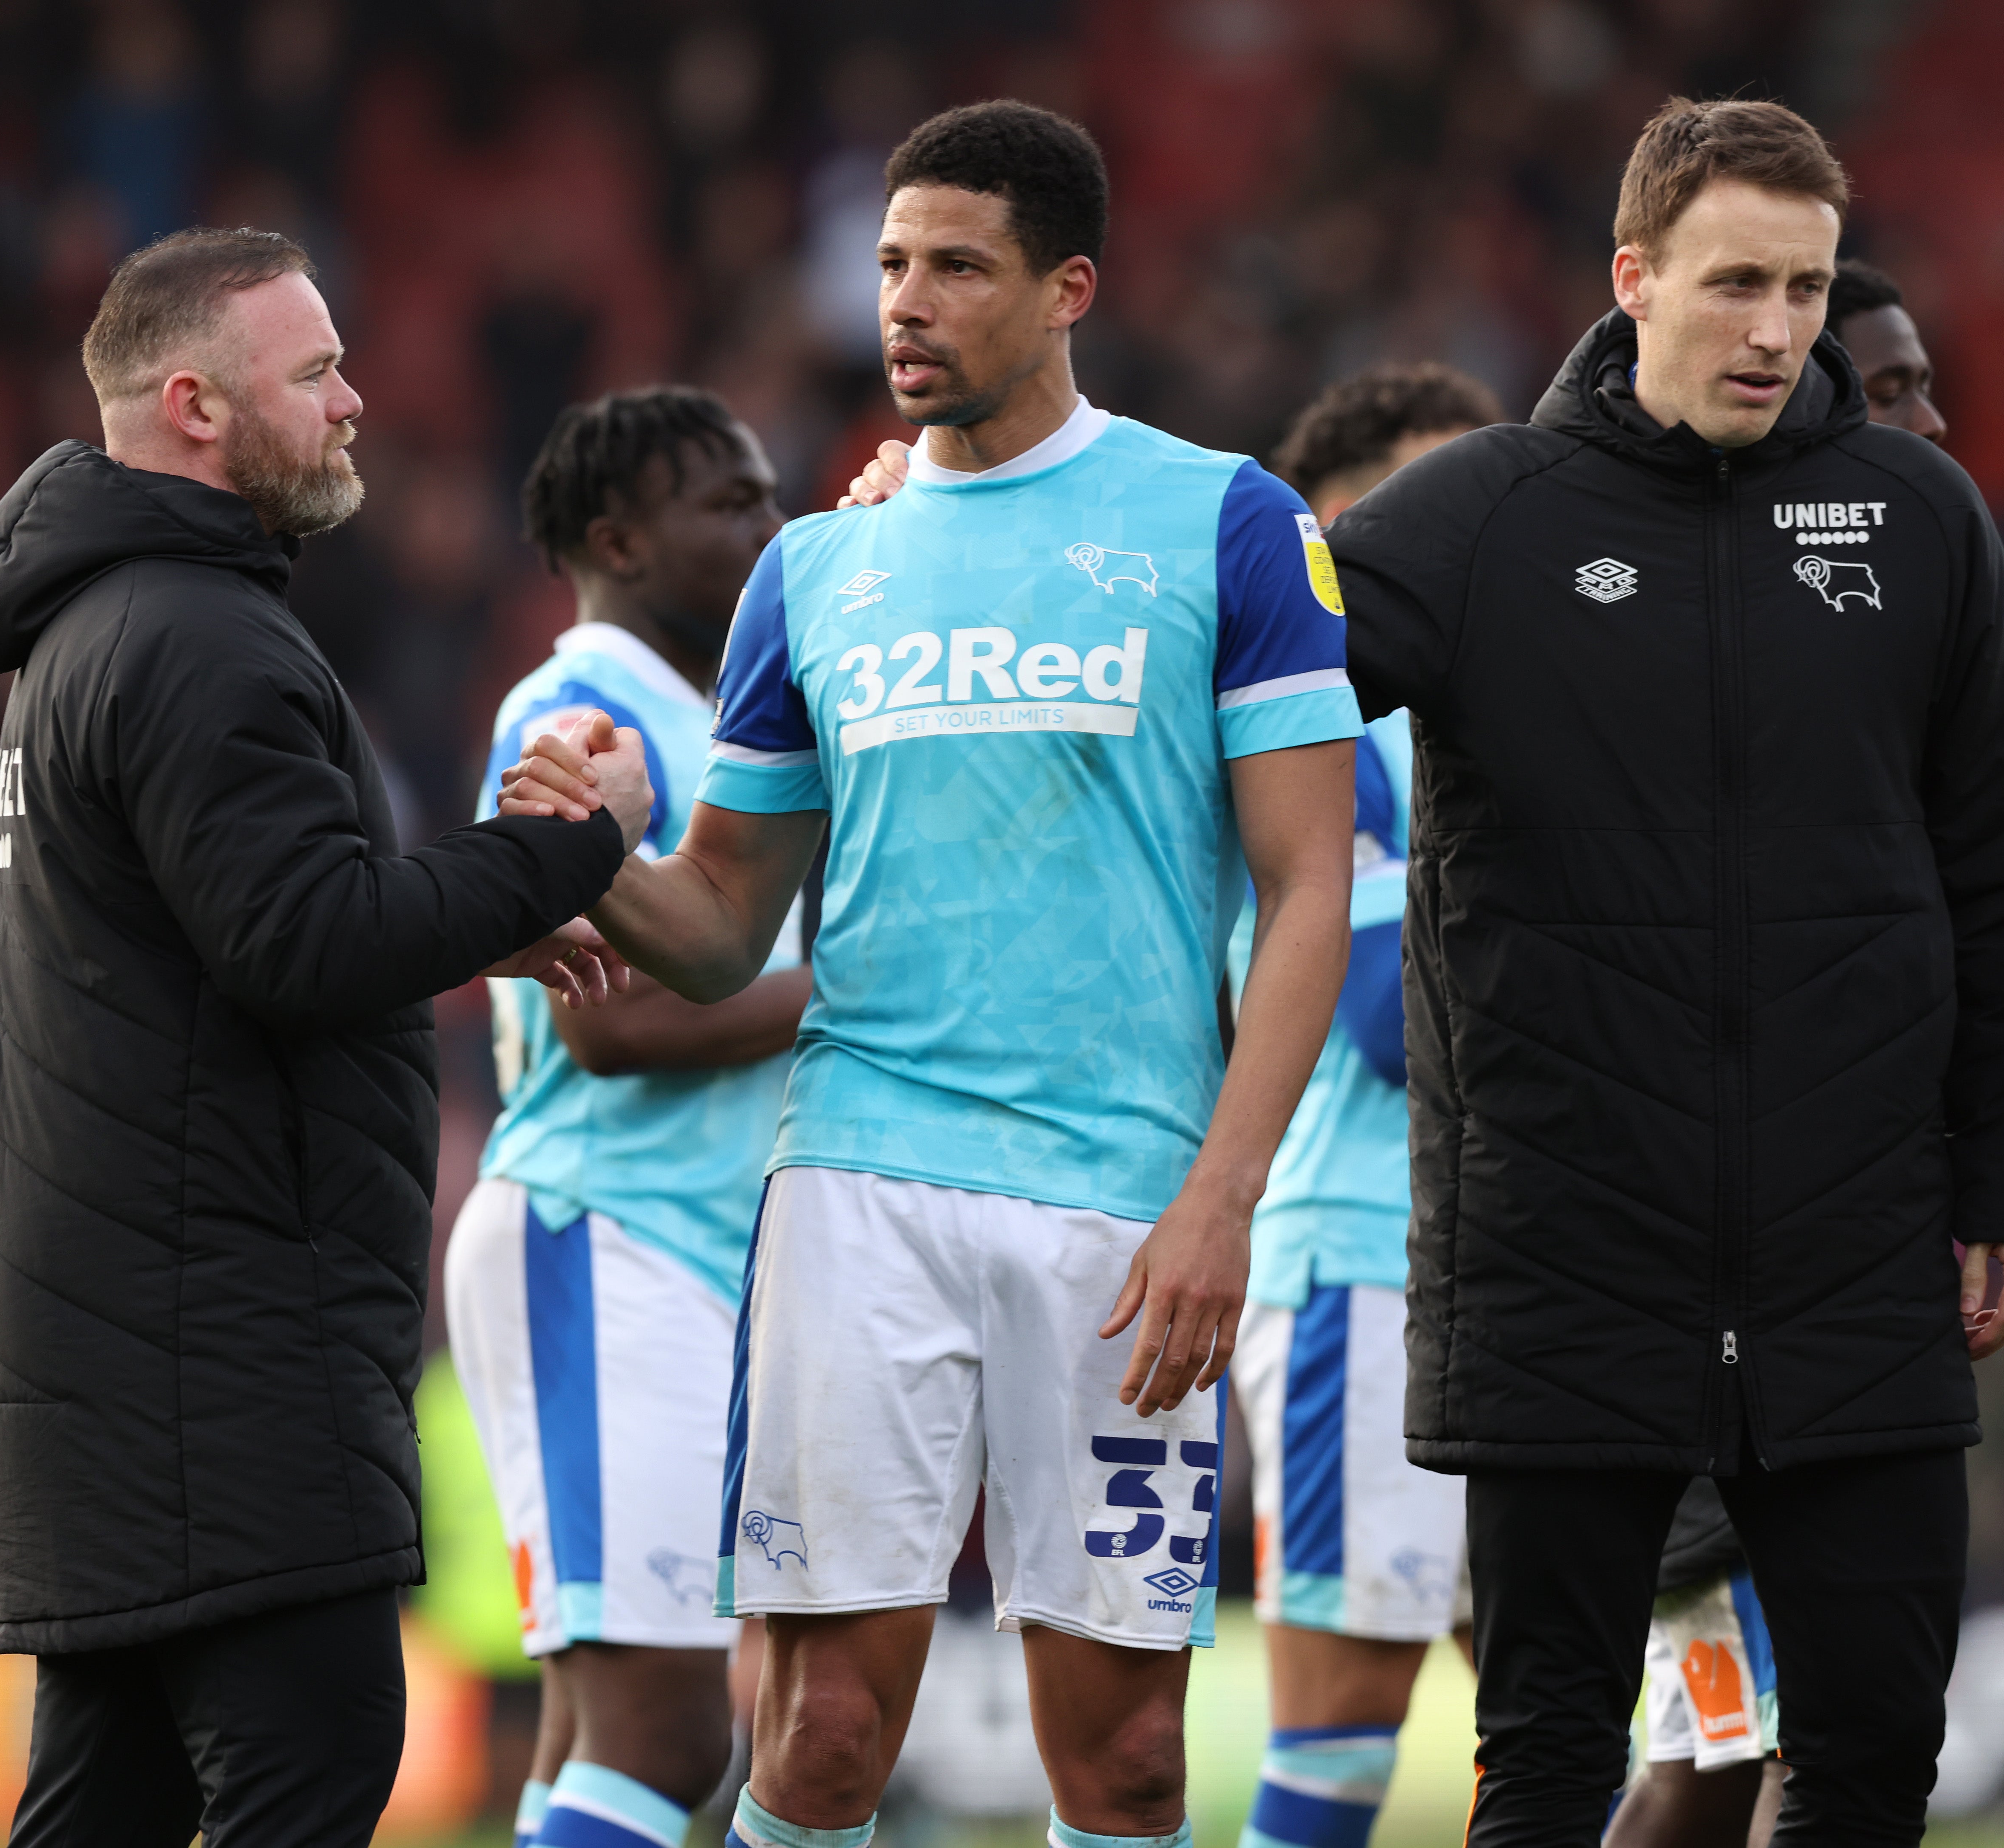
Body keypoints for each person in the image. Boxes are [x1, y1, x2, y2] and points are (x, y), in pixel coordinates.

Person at [502, 100, 1361, 1848]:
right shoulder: (814, 571)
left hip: (1124, 1210)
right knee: (817, 1735)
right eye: (892, 264)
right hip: (858, 1193)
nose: (905, 301)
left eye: (955, 267)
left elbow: (1304, 892)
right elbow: (727, 915)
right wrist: (583, 855)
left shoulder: (1227, 523)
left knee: (1119, 1763)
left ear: (1068, 290)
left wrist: (1221, 1197)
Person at [1323, 97, 2004, 1845]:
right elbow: (1229, 658)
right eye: (1736, 281)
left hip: (1854, 1254)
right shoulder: (1476, 519)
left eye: (1808, 289)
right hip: (1563, 1259)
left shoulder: (1918, 518)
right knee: (1546, 1764)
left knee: (1871, 1759)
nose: (1776, 329)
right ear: (1633, 277)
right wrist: (964, 495)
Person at [0, 228, 640, 1848]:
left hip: (109, 1360)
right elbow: (301, 943)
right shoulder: (196, 637)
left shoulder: (98, 633)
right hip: (226, 1369)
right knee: (312, 1770)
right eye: (317, 370)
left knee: (101, 1815)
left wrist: (480, 914)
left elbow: (242, 930)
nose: (354, 400)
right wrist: (568, 844)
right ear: (196, 406)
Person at [1604, 252, 2004, 1848]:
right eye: (1889, 385)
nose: (1933, 416)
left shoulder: (1904, 635)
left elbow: (1920, 973)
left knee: (1756, 1748)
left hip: (1838, 1280)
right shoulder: (1700, 620)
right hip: (1701, 1293)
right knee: (1750, 1752)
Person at [448, 385, 808, 1848]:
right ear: (617, 537)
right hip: (606, 1238)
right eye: (728, 503)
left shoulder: (713, 716)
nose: (766, 525)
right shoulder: (576, 712)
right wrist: (862, 997)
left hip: (679, 1253)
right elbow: (601, 1027)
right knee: (667, 1733)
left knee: (600, 1739)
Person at [1227, 365, 1500, 1848]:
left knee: (1561, 1717)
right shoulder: (1335, 724)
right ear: (1340, 527)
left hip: (1508, 1271)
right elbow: (1403, 1025)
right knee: (1342, 1728)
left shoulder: (1472, 707)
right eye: (1448, 493)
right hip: (1358, 1268)